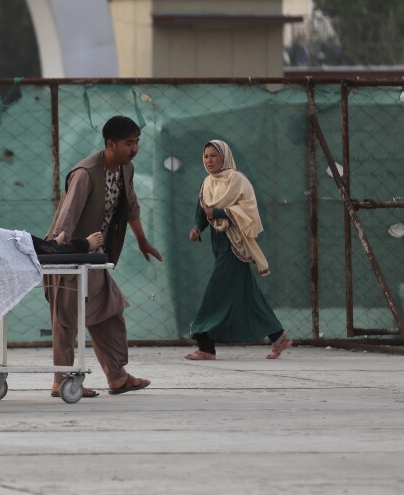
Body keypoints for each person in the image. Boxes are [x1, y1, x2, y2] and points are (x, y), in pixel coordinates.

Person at [44, 115, 163, 398]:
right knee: (66, 320)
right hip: (69, 257)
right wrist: (60, 254)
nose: (134, 149)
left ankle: (117, 377)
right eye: (128, 143)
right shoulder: (86, 173)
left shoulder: (126, 170)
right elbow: (66, 219)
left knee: (109, 311)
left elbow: (131, 206)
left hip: (93, 259)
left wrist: (142, 241)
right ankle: (61, 380)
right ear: (110, 144)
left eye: (136, 143)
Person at [185, 139, 292, 360]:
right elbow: (203, 211)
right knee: (249, 295)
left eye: (214, 155)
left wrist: (221, 213)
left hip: (235, 246)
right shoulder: (207, 183)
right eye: (206, 156)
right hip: (219, 245)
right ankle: (278, 336)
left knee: (215, 293)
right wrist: (197, 228)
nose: (209, 160)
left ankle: (205, 345)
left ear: (224, 157)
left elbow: (249, 210)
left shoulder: (237, 180)